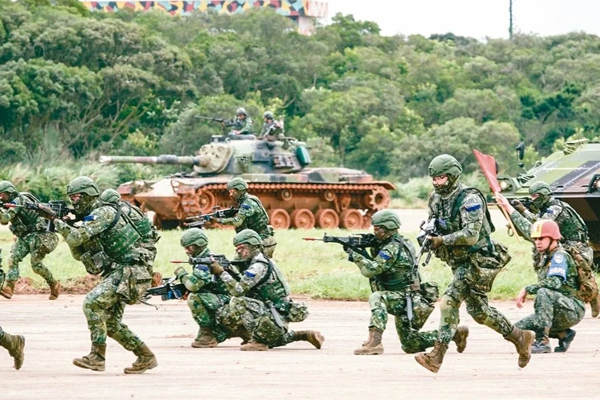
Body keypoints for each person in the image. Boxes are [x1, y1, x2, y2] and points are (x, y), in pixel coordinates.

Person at [414, 155, 534, 373]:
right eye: (434, 178)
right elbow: (434, 223)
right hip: (459, 261)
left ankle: (437, 356)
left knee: (448, 302)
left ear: (452, 176)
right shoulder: (435, 198)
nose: (436, 182)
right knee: (480, 312)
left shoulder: (470, 199)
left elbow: (471, 235)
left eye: (441, 178)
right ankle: (520, 337)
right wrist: (428, 237)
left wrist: (442, 240)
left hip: (479, 259)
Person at [53, 177, 157, 374]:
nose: (73, 201)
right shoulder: (93, 216)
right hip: (123, 271)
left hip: (130, 271)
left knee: (92, 303)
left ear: (87, 195)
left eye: (76, 197)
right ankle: (146, 356)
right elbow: (78, 251)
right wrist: (68, 223)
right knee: (110, 323)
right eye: (71, 198)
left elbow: (76, 237)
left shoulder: (103, 212)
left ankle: (97, 357)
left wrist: (55, 221)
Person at [348, 210, 469, 355]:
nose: (374, 232)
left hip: (408, 299)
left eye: (377, 228)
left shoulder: (392, 248)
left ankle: (374, 343)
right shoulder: (398, 242)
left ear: (387, 228)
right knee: (410, 343)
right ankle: (454, 334)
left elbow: (371, 270)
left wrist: (355, 254)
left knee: (378, 297)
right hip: (407, 296)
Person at [497, 197, 585, 353]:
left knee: (544, 293)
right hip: (556, 309)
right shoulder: (546, 253)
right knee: (514, 330)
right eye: (535, 239)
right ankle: (563, 334)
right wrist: (508, 207)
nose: (537, 242)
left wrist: (527, 289)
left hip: (571, 309)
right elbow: (526, 227)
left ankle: (542, 343)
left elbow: (555, 282)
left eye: (541, 238)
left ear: (553, 239)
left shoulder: (559, 256)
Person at [211, 229, 324, 351]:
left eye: (242, 248)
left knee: (237, 301)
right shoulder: (260, 261)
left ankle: (258, 341)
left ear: (253, 246)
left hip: (274, 315)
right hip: (274, 314)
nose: (239, 251)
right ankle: (302, 335)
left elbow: (238, 290)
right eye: (237, 248)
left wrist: (221, 273)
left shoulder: (258, 266)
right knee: (226, 313)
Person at [511, 181, 599, 316]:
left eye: (536, 196)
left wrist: (523, 211)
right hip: (567, 244)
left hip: (578, 246)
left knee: (581, 275)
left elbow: (540, 224)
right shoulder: (546, 207)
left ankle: (594, 298)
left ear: (544, 195)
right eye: (532, 197)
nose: (533, 199)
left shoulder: (555, 207)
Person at [174, 228, 238, 348]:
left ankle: (208, 334)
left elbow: (193, 285)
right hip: (228, 297)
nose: (186, 251)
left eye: (189, 247)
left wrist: (181, 274)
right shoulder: (207, 257)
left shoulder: (205, 261)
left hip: (227, 299)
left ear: (198, 245)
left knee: (194, 298)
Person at [0, 180, 60, 300]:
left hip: (40, 235)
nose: (1, 197)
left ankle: (54, 284)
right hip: (25, 236)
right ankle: (9, 287)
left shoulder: (17, 201)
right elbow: (4, 222)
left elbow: (5, 218)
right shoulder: (10, 203)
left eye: (2, 195)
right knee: (12, 258)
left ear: (9, 193)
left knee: (36, 265)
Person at [99, 189, 160, 274]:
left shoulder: (120, 210)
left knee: (139, 266)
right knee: (145, 266)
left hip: (143, 241)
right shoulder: (129, 206)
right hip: (149, 237)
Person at [214, 177, 277, 258]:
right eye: (229, 192)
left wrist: (220, 221)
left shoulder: (248, 203)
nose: (230, 195)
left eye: (232, 192)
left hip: (262, 241)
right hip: (253, 240)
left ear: (240, 190)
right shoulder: (243, 202)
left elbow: (237, 222)